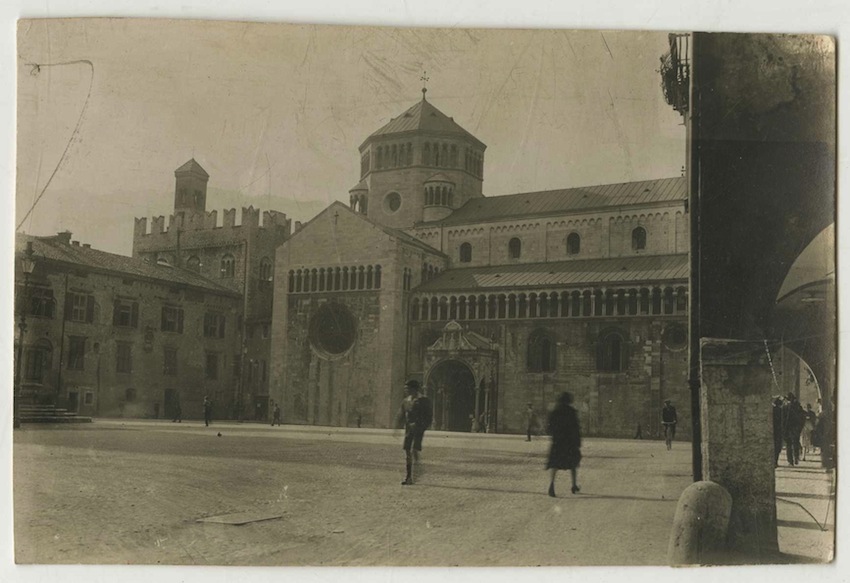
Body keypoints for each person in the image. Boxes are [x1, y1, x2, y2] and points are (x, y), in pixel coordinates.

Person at [396, 379, 432, 485]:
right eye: (405, 388)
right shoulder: (406, 401)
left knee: (413, 450)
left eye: (408, 388)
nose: (406, 390)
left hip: (418, 429)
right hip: (408, 430)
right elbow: (401, 414)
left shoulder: (424, 400)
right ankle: (409, 477)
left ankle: (415, 472)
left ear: (414, 389)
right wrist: (397, 426)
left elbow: (429, 416)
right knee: (408, 452)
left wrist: (421, 426)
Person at [546, 392, 582, 497]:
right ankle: (574, 485)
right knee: (573, 464)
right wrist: (578, 442)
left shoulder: (554, 412)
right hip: (569, 442)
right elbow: (576, 428)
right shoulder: (572, 412)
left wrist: (554, 435)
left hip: (557, 442)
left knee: (554, 464)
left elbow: (549, 427)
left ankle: (552, 485)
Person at [781, 392, 804, 465]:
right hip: (796, 428)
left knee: (789, 445)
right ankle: (796, 458)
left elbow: (783, 419)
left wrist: (783, 428)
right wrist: (800, 427)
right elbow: (802, 417)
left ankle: (790, 461)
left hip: (788, 428)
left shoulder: (785, 407)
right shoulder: (798, 407)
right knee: (795, 443)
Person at [772, 396, 784, 467]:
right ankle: (775, 461)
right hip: (778, 431)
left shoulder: (772, 410)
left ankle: (774, 462)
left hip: (773, 430)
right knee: (777, 447)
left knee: (774, 447)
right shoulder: (780, 411)